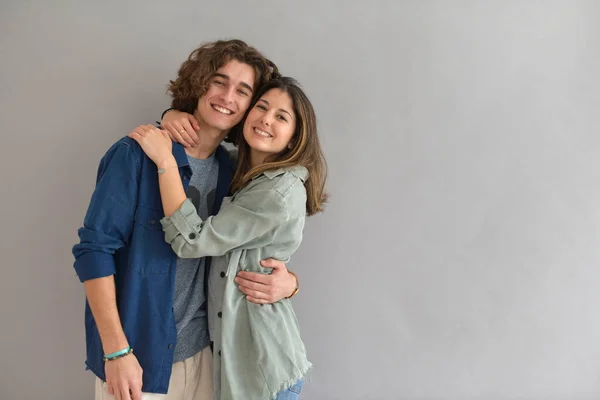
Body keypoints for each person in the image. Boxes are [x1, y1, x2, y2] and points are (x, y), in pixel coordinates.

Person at [72, 39, 299, 400]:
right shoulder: (135, 156)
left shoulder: (233, 171)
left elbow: (254, 244)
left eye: (243, 91)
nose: (227, 96)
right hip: (138, 359)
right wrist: (115, 351)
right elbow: (93, 253)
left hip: (210, 356)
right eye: (219, 81)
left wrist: (290, 282)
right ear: (199, 83)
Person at [128, 76, 328, 400]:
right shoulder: (243, 172)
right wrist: (171, 117)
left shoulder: (276, 192)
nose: (266, 119)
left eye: (281, 117)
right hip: (238, 366)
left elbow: (191, 241)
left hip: (262, 372)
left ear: (294, 138)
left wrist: (166, 161)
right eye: (261, 107)